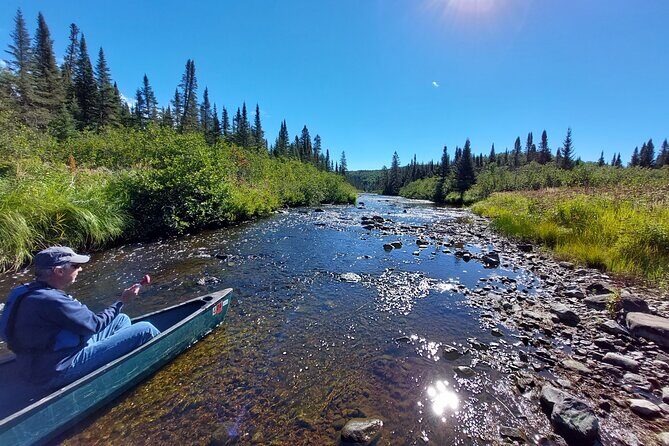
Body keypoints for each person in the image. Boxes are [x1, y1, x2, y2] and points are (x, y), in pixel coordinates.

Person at [0, 246, 160, 388]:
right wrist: (121, 301)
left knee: (121, 319)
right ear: (59, 271)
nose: (80, 269)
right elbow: (95, 325)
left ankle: (114, 359)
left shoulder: (21, 292)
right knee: (145, 329)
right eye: (75, 266)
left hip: (33, 365)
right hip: (57, 370)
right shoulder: (54, 300)